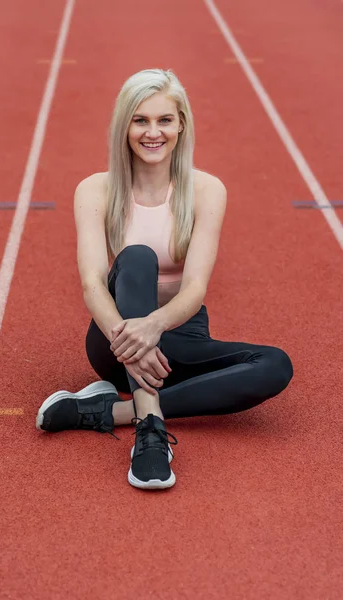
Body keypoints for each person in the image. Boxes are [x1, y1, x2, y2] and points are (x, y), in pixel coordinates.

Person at [36, 68, 294, 491]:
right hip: (114, 341)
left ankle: (109, 412)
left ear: (181, 125)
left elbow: (194, 289)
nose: (152, 132)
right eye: (140, 120)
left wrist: (154, 326)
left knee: (275, 365)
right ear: (125, 126)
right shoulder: (95, 190)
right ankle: (150, 436)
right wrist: (130, 339)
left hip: (177, 337)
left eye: (164, 120)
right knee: (137, 258)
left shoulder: (207, 190)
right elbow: (92, 284)